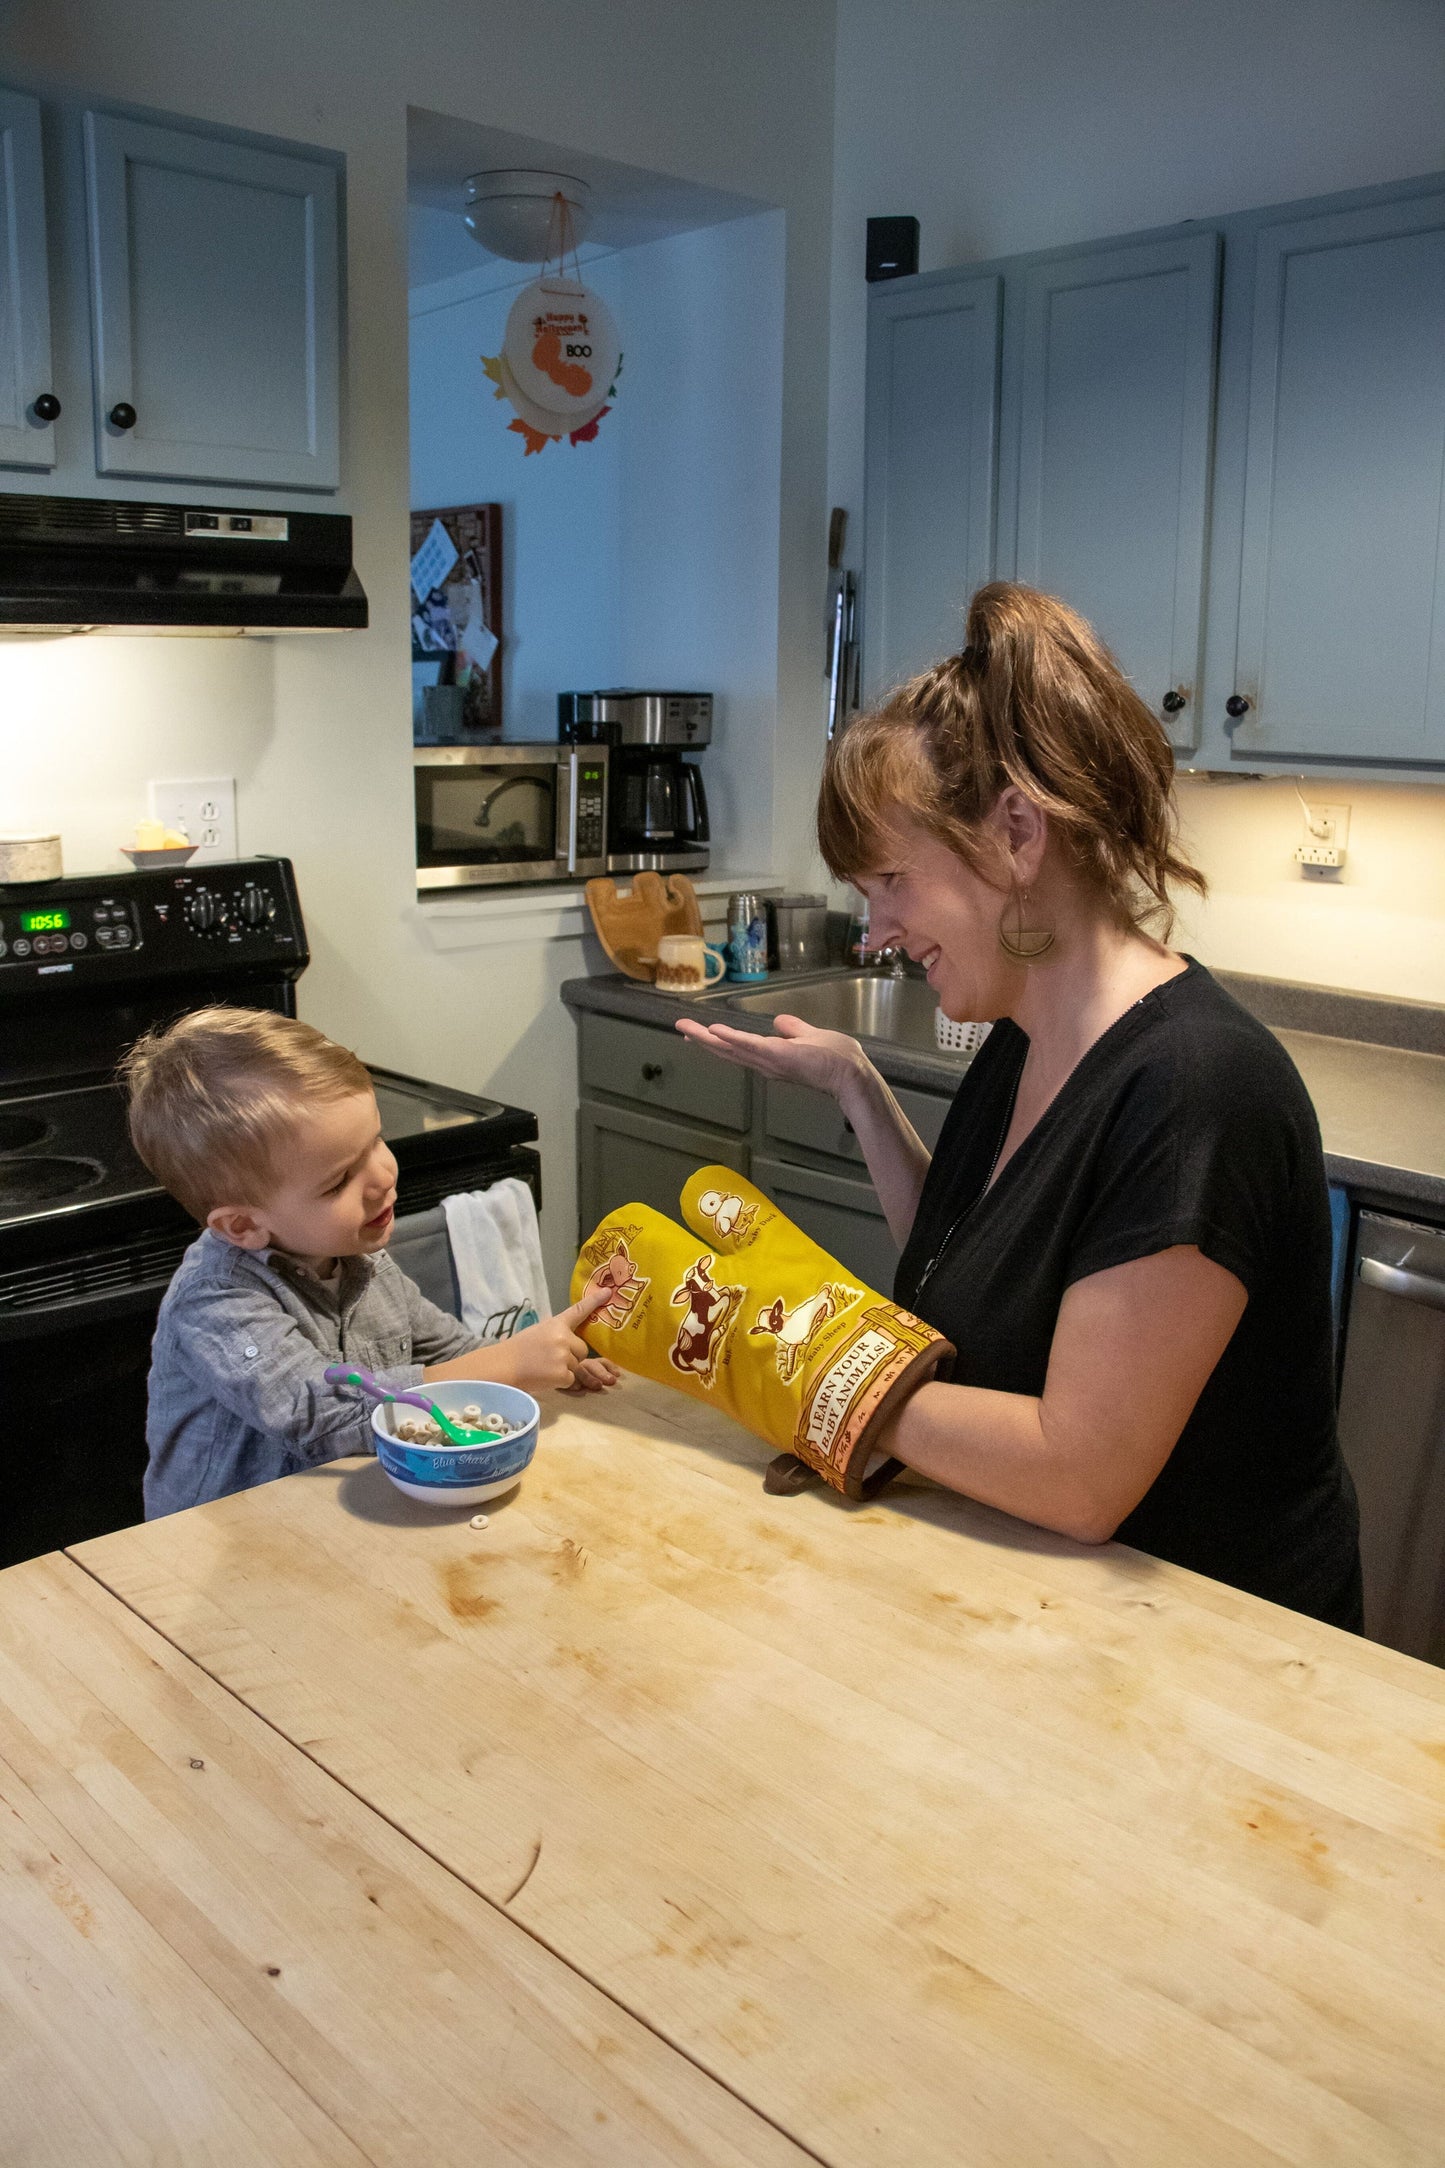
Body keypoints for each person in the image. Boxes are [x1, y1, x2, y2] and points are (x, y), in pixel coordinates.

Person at [678, 583, 1362, 1628]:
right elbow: (963, 1277)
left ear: (1014, 835)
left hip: (1220, 1663)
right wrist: (859, 1089)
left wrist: (818, 1376)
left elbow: (1077, 1474)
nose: (875, 928)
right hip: (1054, 1613)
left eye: (891, 880)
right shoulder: (1025, 1035)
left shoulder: (1191, 1092)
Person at [122, 1006, 617, 1518]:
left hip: (337, 1515)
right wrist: (509, 1364)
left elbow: (453, 1349)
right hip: (221, 1539)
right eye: (339, 1180)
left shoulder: (363, 1261)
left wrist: (542, 1366)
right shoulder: (216, 1299)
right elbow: (317, 1415)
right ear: (244, 1226)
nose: (382, 1175)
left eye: (376, 1140)